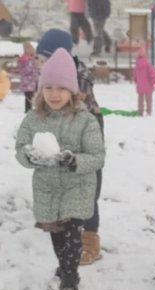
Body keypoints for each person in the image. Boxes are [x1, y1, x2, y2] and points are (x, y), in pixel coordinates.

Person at [15, 49, 105, 290]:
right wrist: (30, 156)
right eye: (49, 88)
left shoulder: (85, 120)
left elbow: (97, 156)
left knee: (72, 232)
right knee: (57, 235)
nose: (54, 94)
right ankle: (66, 266)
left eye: (61, 88)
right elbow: (21, 147)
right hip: (48, 188)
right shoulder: (33, 119)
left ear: (72, 91)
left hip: (77, 186)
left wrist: (73, 161)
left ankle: (69, 284)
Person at [36, 29, 104, 265]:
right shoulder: (51, 76)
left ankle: (90, 240)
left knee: (87, 188)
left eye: (42, 59)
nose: (38, 63)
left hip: (87, 132)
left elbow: (75, 107)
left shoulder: (78, 75)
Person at [133, 46, 155, 116]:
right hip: (148, 85)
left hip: (140, 85)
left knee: (140, 99)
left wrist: (136, 80)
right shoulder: (148, 64)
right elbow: (153, 75)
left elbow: (135, 74)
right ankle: (149, 111)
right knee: (149, 99)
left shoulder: (137, 65)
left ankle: (140, 111)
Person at [17, 41, 39, 112]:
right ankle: (28, 110)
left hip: (32, 81)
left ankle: (30, 109)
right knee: (29, 96)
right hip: (28, 81)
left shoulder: (31, 58)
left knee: (32, 96)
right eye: (28, 48)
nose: (31, 49)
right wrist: (34, 66)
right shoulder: (25, 59)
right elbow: (27, 70)